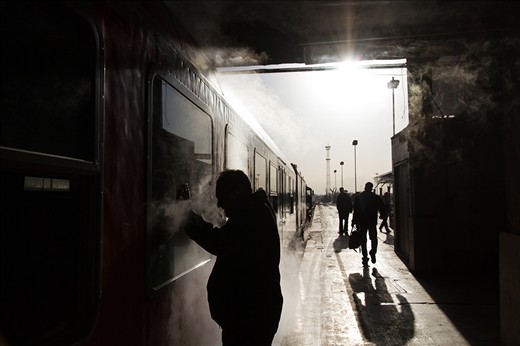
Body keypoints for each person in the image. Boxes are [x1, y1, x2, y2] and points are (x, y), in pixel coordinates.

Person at [183, 169, 283, 345]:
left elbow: (219, 242)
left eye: (222, 197)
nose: (220, 204)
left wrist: (187, 216)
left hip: (249, 319)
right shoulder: (256, 210)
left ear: (235, 194)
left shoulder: (252, 216)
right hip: (253, 315)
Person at [352, 182, 385, 266]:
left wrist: (353, 221)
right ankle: (373, 252)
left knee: (363, 240)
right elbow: (382, 208)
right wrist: (382, 215)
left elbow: (355, 211)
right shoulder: (375, 197)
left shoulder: (359, 198)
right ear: (371, 188)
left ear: (365, 187)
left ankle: (365, 257)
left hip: (362, 222)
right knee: (374, 238)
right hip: (372, 221)